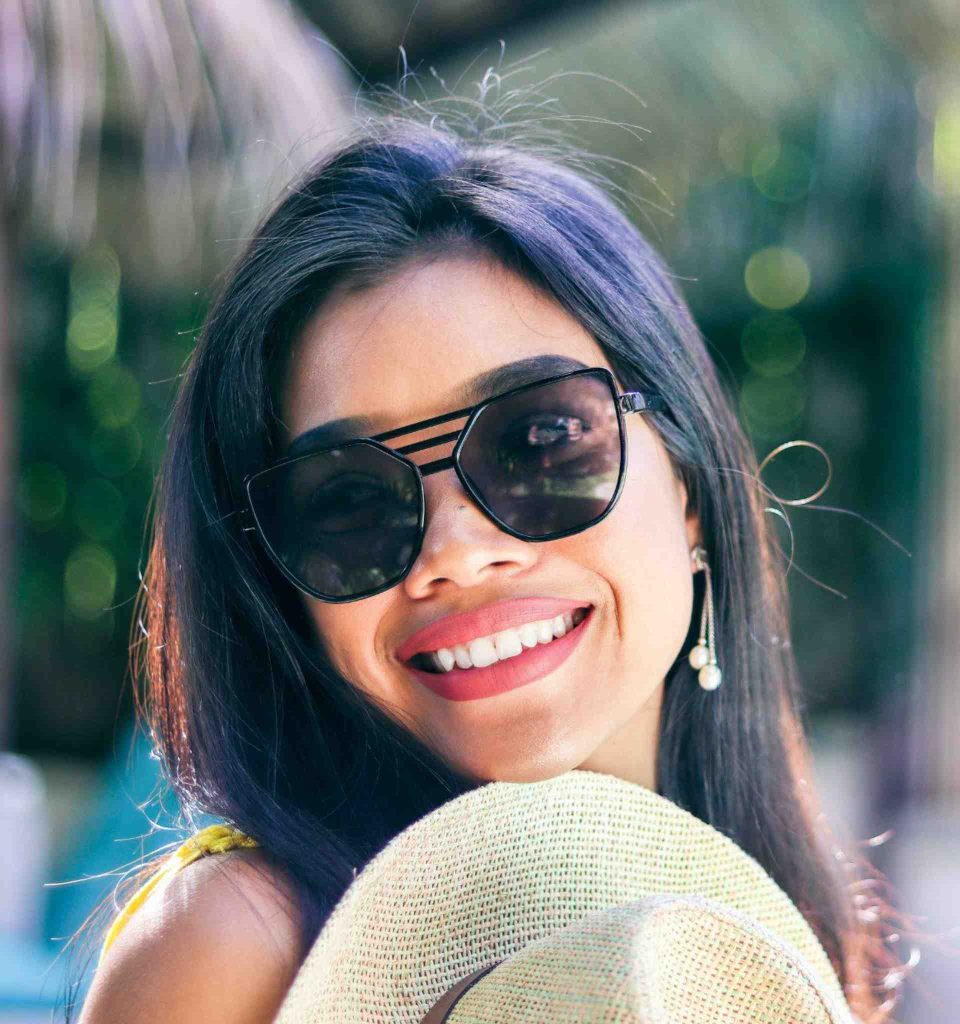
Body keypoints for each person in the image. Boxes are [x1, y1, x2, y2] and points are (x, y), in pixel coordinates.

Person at [68, 101, 905, 1024]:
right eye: (347, 497)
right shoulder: (238, 949)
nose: (456, 552)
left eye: (541, 437)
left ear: (690, 489)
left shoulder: (778, 955)